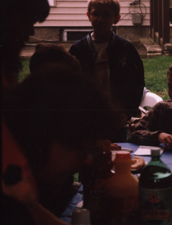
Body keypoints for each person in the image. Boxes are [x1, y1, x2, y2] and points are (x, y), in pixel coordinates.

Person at [3, 66, 121, 224]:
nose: (88, 160)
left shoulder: (17, 170)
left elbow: (32, 210)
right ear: (39, 132)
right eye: (80, 149)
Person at [69, 0, 145, 143]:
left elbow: (137, 84)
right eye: (95, 14)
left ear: (116, 19)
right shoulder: (78, 50)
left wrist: (127, 112)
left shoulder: (126, 49)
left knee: (118, 152)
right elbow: (70, 85)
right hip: (88, 118)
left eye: (106, 15)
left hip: (117, 118)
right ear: (88, 15)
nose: (100, 19)